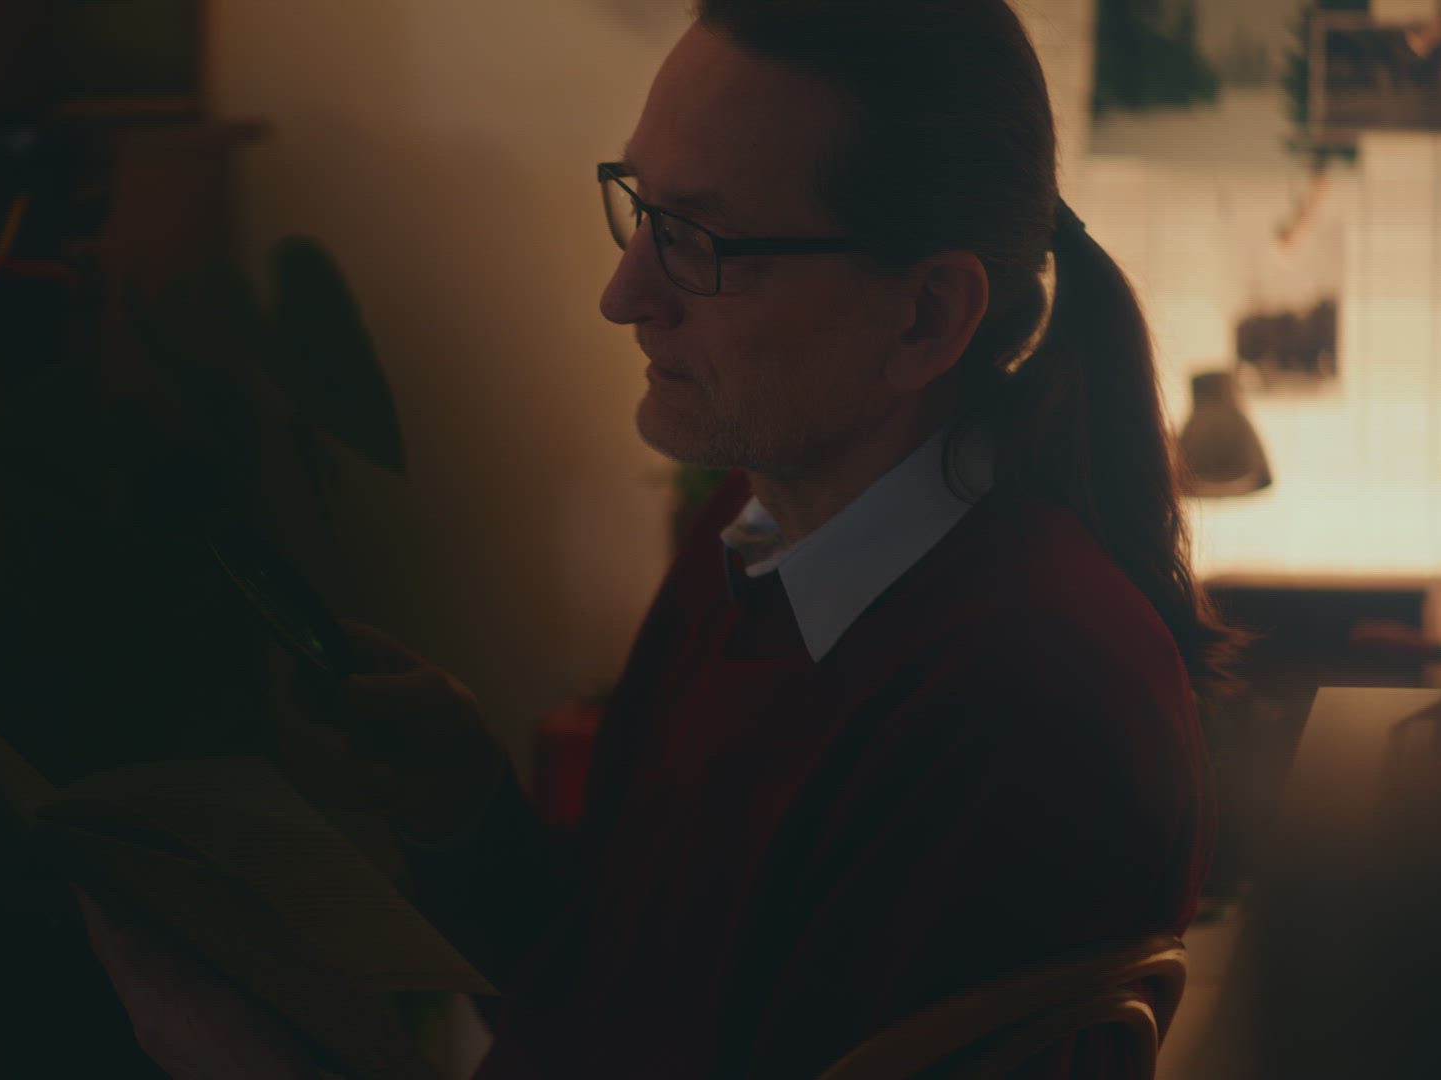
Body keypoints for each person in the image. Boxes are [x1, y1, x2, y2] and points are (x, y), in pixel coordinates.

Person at [94, 2, 1241, 1076]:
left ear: (925, 315)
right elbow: (617, 995)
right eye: (642, 208)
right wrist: (462, 804)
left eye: (695, 237)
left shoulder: (1026, 704)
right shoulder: (753, 541)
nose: (623, 291)